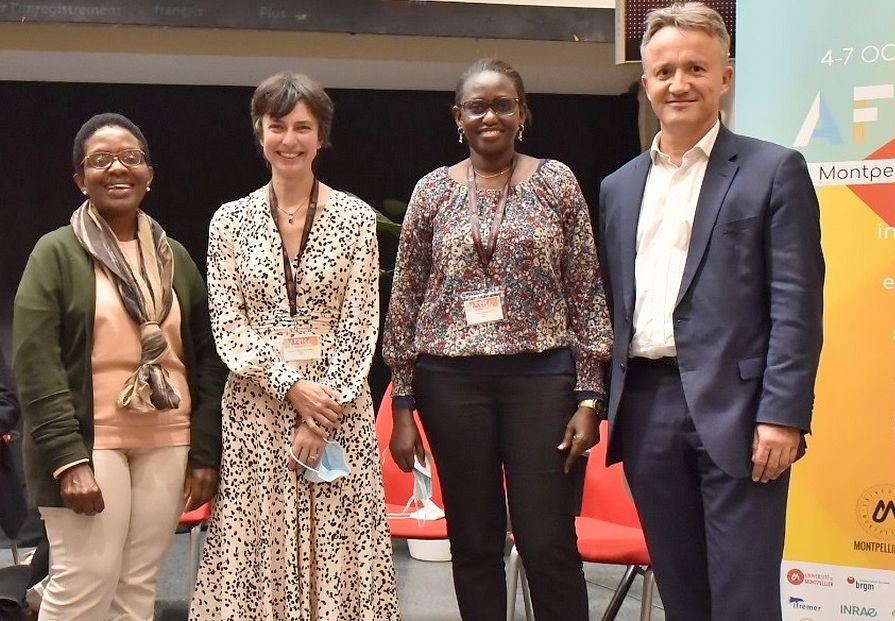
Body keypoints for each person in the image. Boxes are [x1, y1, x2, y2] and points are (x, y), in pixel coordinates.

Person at [597, 3, 825, 619]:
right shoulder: (618, 186)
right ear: (646, 82)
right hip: (646, 409)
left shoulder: (773, 170)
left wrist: (782, 415)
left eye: (696, 68)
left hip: (742, 412)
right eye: (664, 70)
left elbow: (797, 305)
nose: (679, 83)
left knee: (743, 598)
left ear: (725, 77)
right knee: (683, 595)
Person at [383, 58, 612, 620]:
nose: (491, 116)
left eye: (504, 105)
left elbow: (585, 289)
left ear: (523, 113)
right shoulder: (432, 192)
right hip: (450, 384)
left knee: (547, 540)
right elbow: (406, 298)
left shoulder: (556, 182)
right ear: (458, 117)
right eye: (477, 106)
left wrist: (590, 398)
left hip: (542, 382)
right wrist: (404, 405)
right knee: (473, 541)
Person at [189, 72, 399, 620]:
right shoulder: (228, 222)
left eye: (302, 127)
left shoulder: (356, 218)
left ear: (321, 135)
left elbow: (360, 324)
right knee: (256, 548)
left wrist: (319, 413)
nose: (289, 139)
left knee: (340, 544)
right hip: (257, 411)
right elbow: (229, 327)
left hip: (337, 410)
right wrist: (291, 386)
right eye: (277, 126)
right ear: (259, 133)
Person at [12, 112, 227, 621]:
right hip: (90, 445)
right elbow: (37, 366)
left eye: (131, 157)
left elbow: (205, 359)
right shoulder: (55, 253)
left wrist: (203, 452)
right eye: (100, 160)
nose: (117, 168)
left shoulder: (173, 257)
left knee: (135, 588)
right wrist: (68, 460)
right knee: (84, 581)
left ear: (149, 174)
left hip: (167, 440)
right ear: (80, 179)